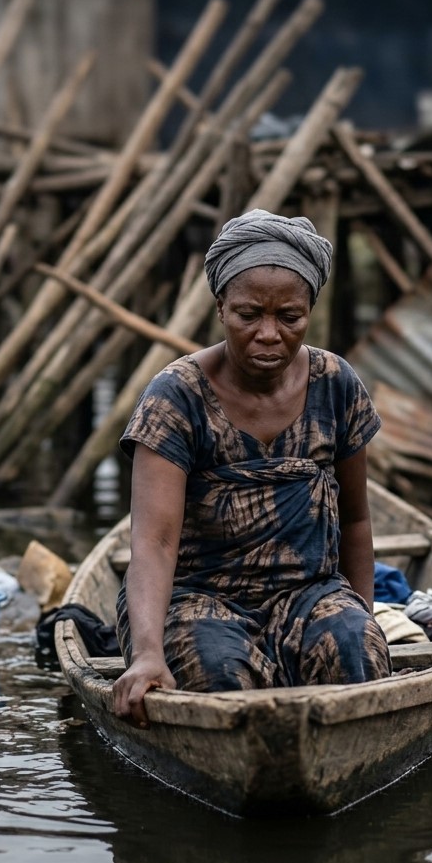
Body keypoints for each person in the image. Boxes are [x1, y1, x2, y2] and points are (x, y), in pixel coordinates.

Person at [112, 208, 392, 729]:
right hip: (196, 596)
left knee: (356, 655)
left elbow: (356, 521)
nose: (269, 334)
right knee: (218, 676)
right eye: (248, 315)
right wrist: (148, 652)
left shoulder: (336, 383)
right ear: (220, 307)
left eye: (289, 317)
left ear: (309, 310)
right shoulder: (176, 397)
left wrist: (364, 618)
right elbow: (153, 543)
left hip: (311, 593)